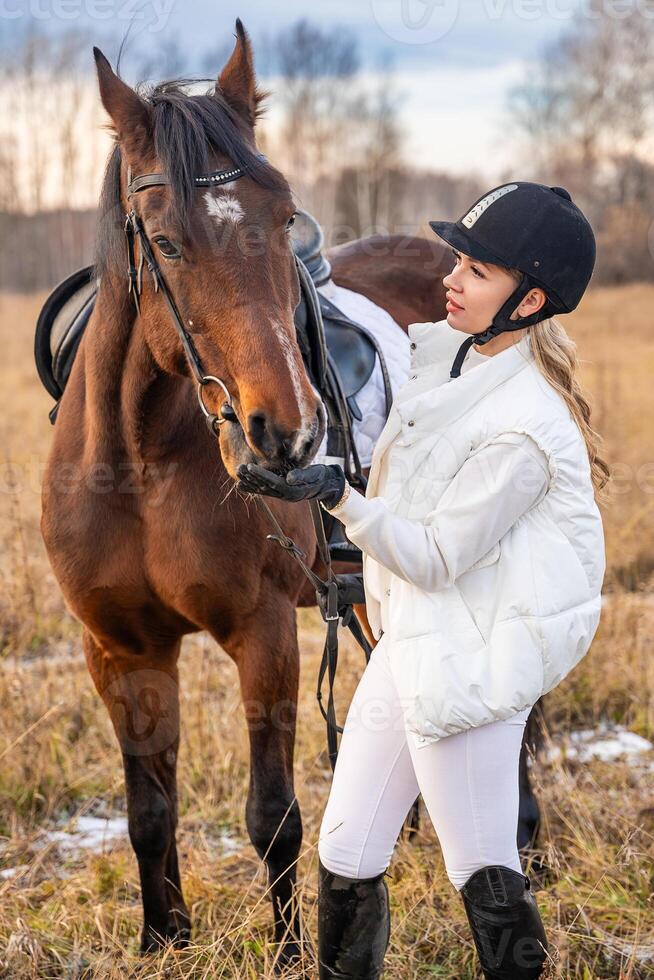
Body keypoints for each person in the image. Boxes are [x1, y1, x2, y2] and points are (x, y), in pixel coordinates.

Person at [236, 182, 609, 979]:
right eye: (459, 260)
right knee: (346, 849)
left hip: (470, 663)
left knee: (481, 870)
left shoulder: (525, 430)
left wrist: (336, 495)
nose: (453, 277)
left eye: (476, 269)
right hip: (412, 644)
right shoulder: (446, 366)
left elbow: (437, 554)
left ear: (532, 299)